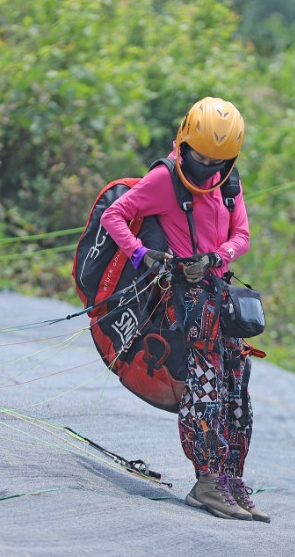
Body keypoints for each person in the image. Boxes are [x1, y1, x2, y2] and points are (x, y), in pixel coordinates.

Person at [100, 97, 269, 522]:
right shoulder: (164, 179)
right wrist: (143, 255)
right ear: (184, 142)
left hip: (220, 291)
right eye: (200, 157)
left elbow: (242, 235)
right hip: (185, 299)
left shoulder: (229, 182)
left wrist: (217, 256)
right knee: (205, 383)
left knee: (237, 388)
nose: (207, 167)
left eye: (218, 160)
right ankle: (207, 481)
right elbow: (115, 216)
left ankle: (232, 480)